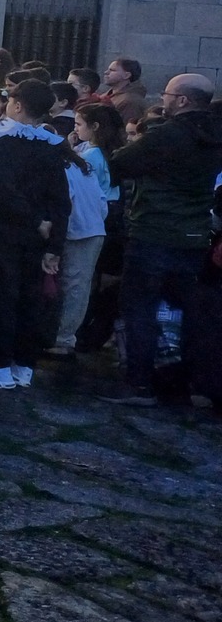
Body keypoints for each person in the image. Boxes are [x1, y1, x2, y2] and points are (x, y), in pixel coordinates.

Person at [106, 72, 222, 403]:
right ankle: (185, 383)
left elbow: (120, 164)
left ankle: (139, 382)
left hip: (154, 232)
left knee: (140, 308)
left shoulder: (166, 135)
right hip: (195, 236)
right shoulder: (217, 135)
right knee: (188, 312)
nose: (163, 99)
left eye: (167, 95)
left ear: (183, 100)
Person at [0, 78, 68, 392]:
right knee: (28, 299)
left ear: (18, 105)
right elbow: (61, 201)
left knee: (2, 298)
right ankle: (23, 363)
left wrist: (37, 222)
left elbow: (3, 191)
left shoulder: (5, 144)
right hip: (35, 239)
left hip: (4, 233)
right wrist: (54, 243)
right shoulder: (52, 147)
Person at [51, 113, 110, 361]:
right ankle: (60, 336)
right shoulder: (80, 164)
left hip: (82, 231)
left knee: (75, 286)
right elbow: (102, 201)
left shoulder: (67, 169)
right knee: (75, 285)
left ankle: (63, 340)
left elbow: (65, 205)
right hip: (91, 228)